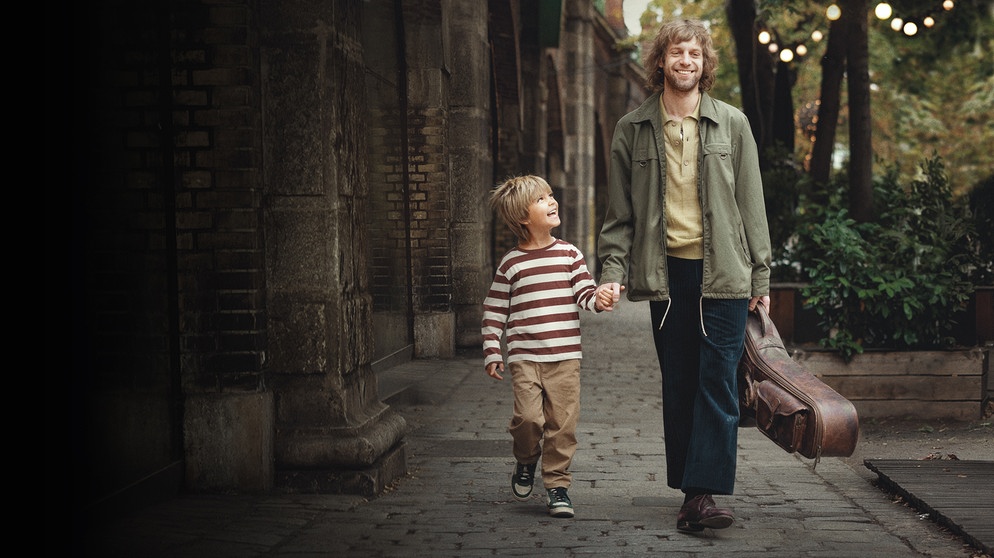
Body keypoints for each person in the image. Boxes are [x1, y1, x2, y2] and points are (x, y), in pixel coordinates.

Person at [596, 19, 772, 533]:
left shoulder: (733, 124)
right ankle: (691, 485)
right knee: (680, 383)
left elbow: (751, 205)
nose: (686, 62)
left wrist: (760, 278)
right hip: (667, 277)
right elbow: (618, 215)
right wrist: (612, 272)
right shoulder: (632, 128)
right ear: (661, 62)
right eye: (677, 53)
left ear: (705, 63)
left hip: (725, 274)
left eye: (694, 54)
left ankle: (701, 494)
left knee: (717, 380)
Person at [482, 175, 616, 519]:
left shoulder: (570, 253)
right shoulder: (511, 263)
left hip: (565, 358)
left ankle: (558, 486)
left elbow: (584, 294)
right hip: (525, 358)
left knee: (563, 425)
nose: (552, 202)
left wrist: (599, 298)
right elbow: (495, 309)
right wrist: (493, 350)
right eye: (542, 199)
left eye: (551, 195)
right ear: (523, 218)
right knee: (528, 419)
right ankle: (526, 459)